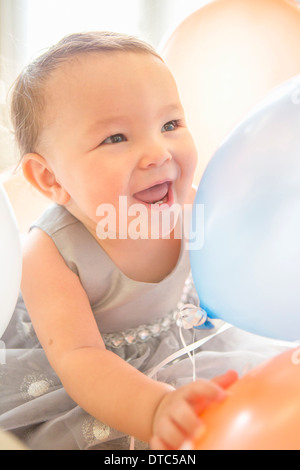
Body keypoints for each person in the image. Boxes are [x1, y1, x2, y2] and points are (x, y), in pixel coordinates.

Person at [0, 32, 288, 451]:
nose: (158, 152)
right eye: (116, 138)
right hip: (99, 375)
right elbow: (82, 359)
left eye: (170, 125)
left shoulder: (195, 207)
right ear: (50, 178)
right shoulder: (48, 253)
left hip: (187, 340)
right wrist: (154, 409)